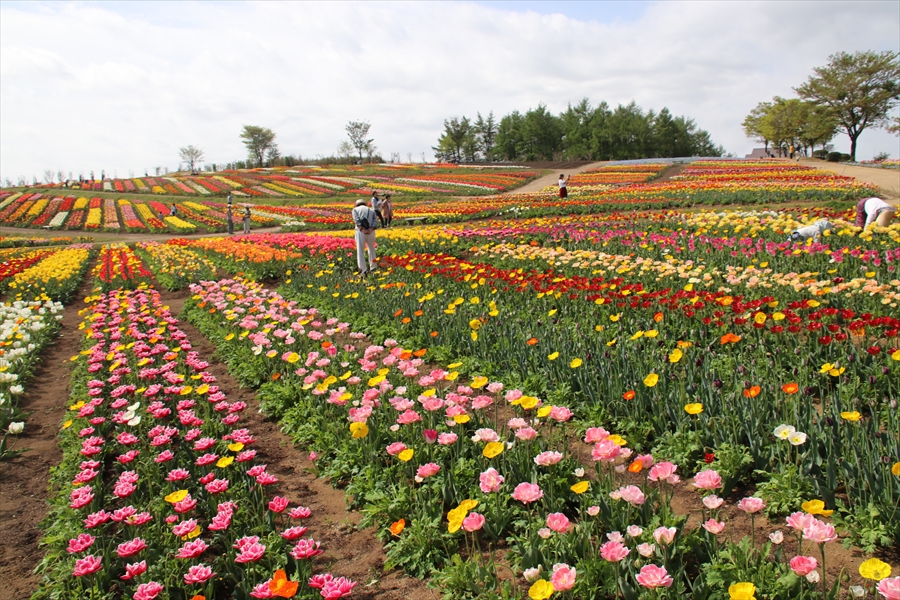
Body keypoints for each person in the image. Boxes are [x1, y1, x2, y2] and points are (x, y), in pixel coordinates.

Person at [351, 198, 377, 275]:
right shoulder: (371, 210)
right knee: (371, 249)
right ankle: (373, 267)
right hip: (371, 231)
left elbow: (357, 220)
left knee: (360, 250)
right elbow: (375, 221)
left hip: (361, 232)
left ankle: (363, 269)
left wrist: (362, 229)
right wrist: (371, 229)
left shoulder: (355, 210)